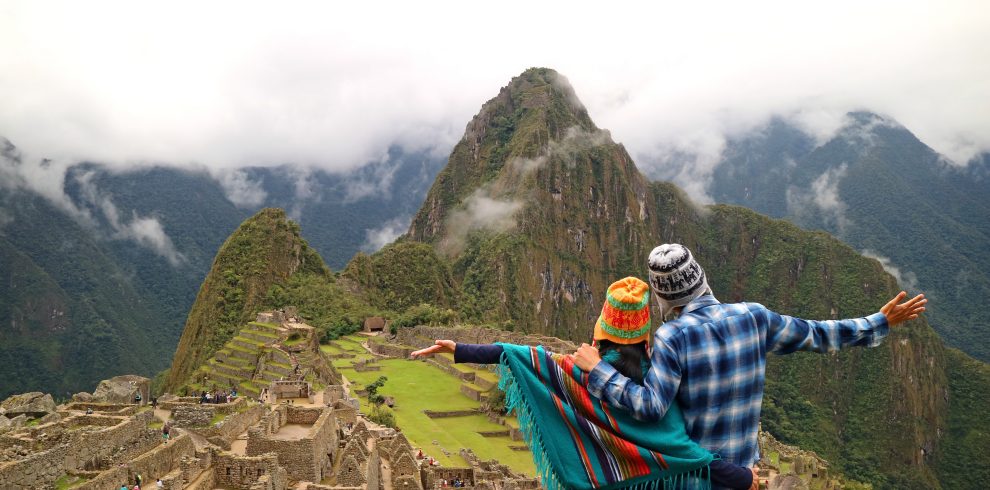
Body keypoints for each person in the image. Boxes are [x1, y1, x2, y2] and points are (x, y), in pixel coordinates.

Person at [570, 243, 927, 488]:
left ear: (662, 297)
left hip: (700, 479)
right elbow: (818, 334)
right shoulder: (755, 317)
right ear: (702, 278)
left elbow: (650, 407)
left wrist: (598, 370)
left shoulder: (672, 338)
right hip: (743, 475)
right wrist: (878, 322)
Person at [412, 277, 755, 489]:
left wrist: (460, 348)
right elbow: (685, 450)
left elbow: (527, 356)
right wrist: (743, 478)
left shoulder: (577, 373)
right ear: (646, 341)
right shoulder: (661, 381)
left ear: (599, 333)